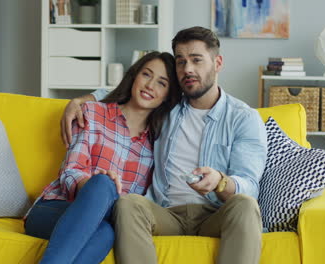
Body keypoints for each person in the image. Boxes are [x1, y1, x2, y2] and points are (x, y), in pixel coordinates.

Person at [60, 26, 268, 264]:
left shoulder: (243, 118)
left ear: (217, 63)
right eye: (181, 62)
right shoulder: (167, 105)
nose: (188, 69)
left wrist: (220, 181)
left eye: (197, 60)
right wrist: (80, 100)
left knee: (246, 205)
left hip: (215, 214)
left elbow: (249, 185)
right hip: (165, 212)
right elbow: (130, 91)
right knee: (128, 204)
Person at [24, 51, 181, 264]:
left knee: (106, 232)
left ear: (167, 95)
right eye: (146, 74)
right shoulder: (92, 112)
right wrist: (96, 189)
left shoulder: (156, 145)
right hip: (52, 209)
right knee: (103, 184)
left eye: (162, 83)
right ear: (134, 76)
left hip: (106, 222)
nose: (150, 85)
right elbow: (71, 172)